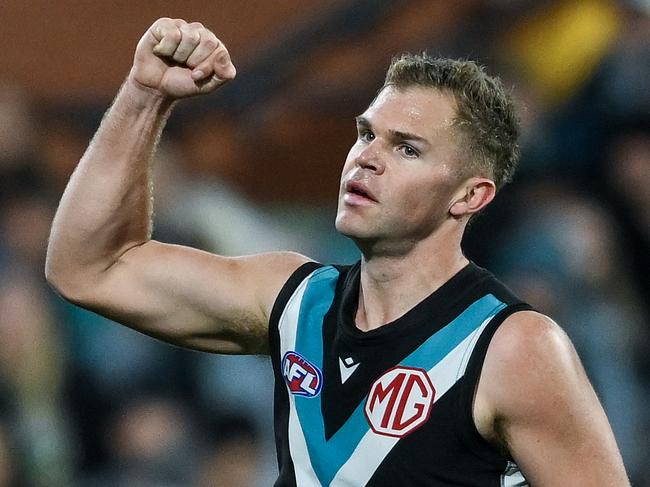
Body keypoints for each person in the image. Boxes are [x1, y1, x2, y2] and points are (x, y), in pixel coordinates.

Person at [45, 18, 629, 486]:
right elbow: (88, 267)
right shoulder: (294, 300)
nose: (366, 157)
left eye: (406, 149)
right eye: (366, 133)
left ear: (469, 196)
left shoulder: (516, 349)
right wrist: (144, 97)